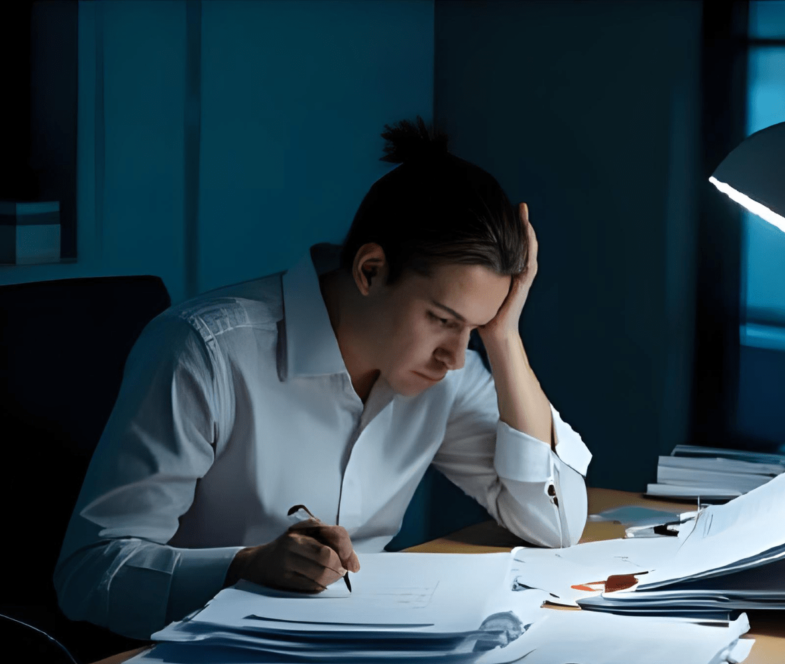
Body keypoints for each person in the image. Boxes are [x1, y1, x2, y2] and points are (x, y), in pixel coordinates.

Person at [53, 117, 592, 640]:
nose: (454, 356)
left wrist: (505, 339)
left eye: (475, 328)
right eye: (443, 320)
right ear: (370, 271)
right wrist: (244, 567)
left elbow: (553, 524)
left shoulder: (446, 374)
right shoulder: (205, 352)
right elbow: (90, 574)